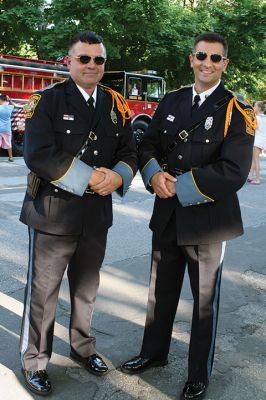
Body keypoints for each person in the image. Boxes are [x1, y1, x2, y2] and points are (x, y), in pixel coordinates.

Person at [120, 32, 257, 399]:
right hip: (166, 214)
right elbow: (146, 144)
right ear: (191, 59)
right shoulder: (172, 100)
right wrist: (154, 176)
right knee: (159, 293)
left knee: (204, 302)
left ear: (224, 64)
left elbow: (234, 170)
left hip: (209, 222)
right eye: (201, 56)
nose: (207, 63)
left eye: (215, 58)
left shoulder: (235, 109)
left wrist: (178, 186)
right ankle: (153, 353)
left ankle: (199, 373)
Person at [19, 31, 137, 396]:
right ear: (68, 62)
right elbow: (37, 153)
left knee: (86, 290)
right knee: (44, 293)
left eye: (98, 60)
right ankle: (36, 361)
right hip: (54, 213)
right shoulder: (47, 100)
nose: (91, 65)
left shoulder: (116, 104)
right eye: (83, 59)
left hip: (96, 215)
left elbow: (130, 150)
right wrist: (91, 178)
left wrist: (118, 175)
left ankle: (83, 347)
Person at [247, 101, 266, 184]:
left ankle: (257, 179)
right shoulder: (264, 117)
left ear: (259, 108)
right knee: (254, 160)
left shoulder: (256, 118)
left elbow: (252, 128)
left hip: (257, 141)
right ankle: (250, 176)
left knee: (255, 160)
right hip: (262, 141)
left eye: (255, 106)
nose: (253, 107)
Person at [0, 94, 14, 161]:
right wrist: (9, 99)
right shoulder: (10, 107)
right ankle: (11, 157)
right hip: (7, 129)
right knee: (9, 143)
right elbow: (12, 103)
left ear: (0, 100)